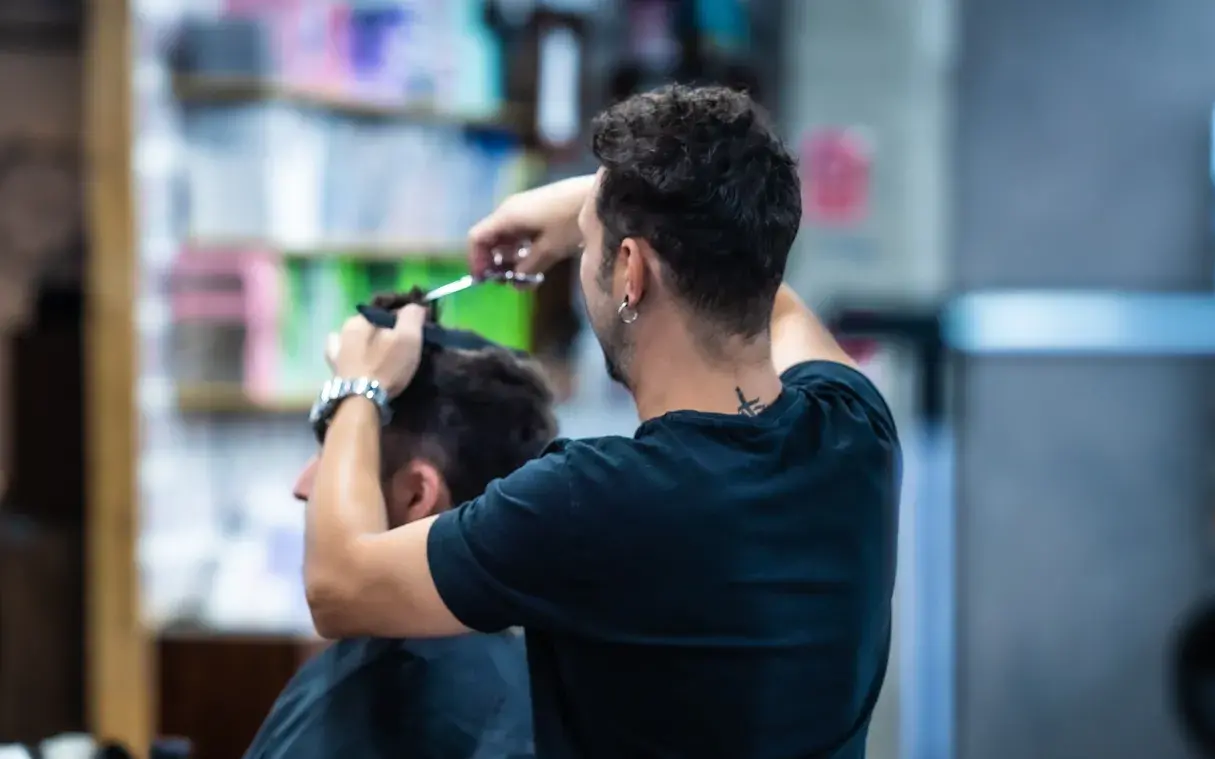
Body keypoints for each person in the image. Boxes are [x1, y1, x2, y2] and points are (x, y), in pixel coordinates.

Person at [304, 85, 901, 758]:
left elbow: (340, 585)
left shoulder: (595, 500)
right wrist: (589, 212)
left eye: (590, 246)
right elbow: (765, 289)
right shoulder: (853, 434)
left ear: (628, 271)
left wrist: (358, 384)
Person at [243, 290, 553, 759]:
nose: (304, 486)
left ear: (416, 496)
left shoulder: (408, 693)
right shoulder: (549, 683)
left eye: (334, 460)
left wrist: (360, 389)